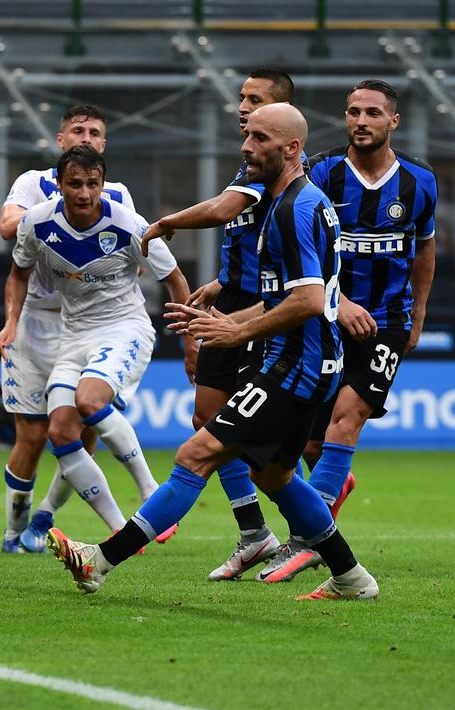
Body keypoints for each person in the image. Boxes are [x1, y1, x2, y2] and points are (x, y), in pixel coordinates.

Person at [48, 104, 379, 601]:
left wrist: (236, 335)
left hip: (294, 367)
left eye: (261, 139)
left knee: (195, 453)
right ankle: (352, 576)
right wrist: (228, 321)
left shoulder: (292, 210)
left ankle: (100, 560)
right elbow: (285, 295)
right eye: (247, 137)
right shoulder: (290, 202)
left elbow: (309, 302)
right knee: (275, 476)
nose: (247, 147)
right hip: (307, 363)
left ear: (291, 148)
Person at [257, 79, 437, 582]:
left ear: (392, 122)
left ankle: (305, 542)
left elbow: (424, 248)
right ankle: (331, 498)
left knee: (346, 419)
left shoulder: (420, 180)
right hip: (327, 316)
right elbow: (307, 250)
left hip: (388, 322)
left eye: (373, 113)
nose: (361, 121)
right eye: (353, 111)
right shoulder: (323, 173)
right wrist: (340, 304)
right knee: (313, 445)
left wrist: (417, 314)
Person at [0, 145, 195, 555]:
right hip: (75, 335)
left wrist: (189, 343)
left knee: (88, 401)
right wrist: (11, 321)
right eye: (75, 184)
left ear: (102, 184)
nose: (84, 193)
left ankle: (149, 490)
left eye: (92, 184)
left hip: (125, 329)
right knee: (61, 433)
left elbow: (175, 280)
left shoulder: (129, 224)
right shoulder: (37, 223)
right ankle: (123, 529)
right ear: (60, 185)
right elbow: (18, 274)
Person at [139, 69, 296, 581]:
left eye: (255, 100)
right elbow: (244, 232)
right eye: (242, 99)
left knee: (249, 443)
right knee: (206, 417)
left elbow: (225, 210)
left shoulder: (275, 171)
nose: (243, 108)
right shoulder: (250, 162)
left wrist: (164, 223)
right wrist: (220, 282)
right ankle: (255, 533)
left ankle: (315, 528)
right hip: (232, 297)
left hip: (262, 311)